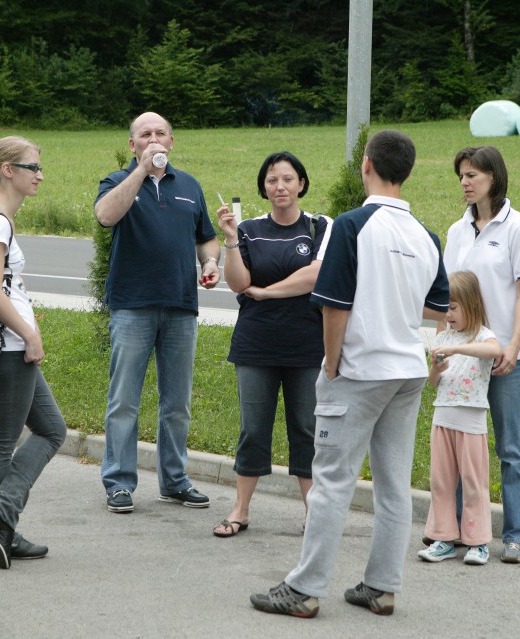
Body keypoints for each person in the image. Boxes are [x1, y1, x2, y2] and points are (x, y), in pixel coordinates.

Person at [250, 130, 449, 618]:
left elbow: (333, 304)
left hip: (361, 368)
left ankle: (304, 588)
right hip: (406, 368)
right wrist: (393, 295)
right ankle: (381, 587)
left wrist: (333, 363)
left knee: (332, 480)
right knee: (393, 482)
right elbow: (438, 304)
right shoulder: (425, 234)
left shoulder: (352, 225)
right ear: (406, 170)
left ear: (366, 165)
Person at [94, 112, 220, 514]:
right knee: (124, 399)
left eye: (160, 133)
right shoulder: (117, 181)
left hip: (181, 305)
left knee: (177, 402)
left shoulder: (190, 186)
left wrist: (210, 263)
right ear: (133, 145)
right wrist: (141, 173)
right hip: (133, 305)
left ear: (172, 140)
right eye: (145, 135)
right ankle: (118, 482)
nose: (154, 139)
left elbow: (207, 238)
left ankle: (175, 480)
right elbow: (105, 215)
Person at [212, 151, 333, 538]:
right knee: (253, 429)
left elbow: (315, 276)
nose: (279, 186)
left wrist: (266, 293)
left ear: (301, 183)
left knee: (307, 429)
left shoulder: (319, 226)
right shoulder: (247, 228)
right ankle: (240, 510)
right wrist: (230, 241)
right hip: (256, 346)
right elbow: (236, 282)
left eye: (287, 179)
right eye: (271, 180)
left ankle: (313, 514)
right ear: (263, 188)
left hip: (307, 346)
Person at [0, 136, 68, 570]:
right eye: (32, 167)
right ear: (8, 170)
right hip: (9, 346)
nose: (39, 175)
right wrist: (29, 333)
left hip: (8, 345)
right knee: (3, 440)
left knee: (51, 429)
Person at [443, 145, 520, 564]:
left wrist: (513, 347)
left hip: (503, 358)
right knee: (464, 448)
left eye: (473, 175)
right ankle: (468, 532)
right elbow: (447, 296)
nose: (465, 182)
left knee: (509, 449)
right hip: (464, 358)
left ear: (493, 178)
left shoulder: (517, 228)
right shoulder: (456, 231)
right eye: (462, 175)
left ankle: (515, 535)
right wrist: (441, 347)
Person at [418, 271, 501, 566]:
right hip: (443, 418)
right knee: (441, 482)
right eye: (445, 308)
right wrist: (436, 368)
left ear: (470, 303)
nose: (447, 314)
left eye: (453, 308)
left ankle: (477, 542)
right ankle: (442, 538)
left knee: (473, 482)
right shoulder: (443, 337)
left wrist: (455, 348)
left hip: (471, 422)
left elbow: (494, 351)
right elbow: (433, 382)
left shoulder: (482, 336)